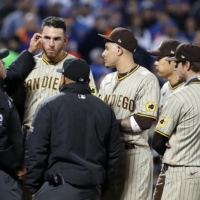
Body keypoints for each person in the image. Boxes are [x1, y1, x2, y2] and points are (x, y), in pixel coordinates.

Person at [24, 57, 121, 200]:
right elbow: (113, 156)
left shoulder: (50, 105)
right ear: (88, 82)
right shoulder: (105, 110)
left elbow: (35, 149)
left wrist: (33, 187)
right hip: (92, 189)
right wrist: (101, 187)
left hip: (57, 187)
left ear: (63, 79)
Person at [98, 27, 160, 200]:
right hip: (109, 154)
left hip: (134, 154)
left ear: (118, 49)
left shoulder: (146, 78)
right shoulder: (107, 80)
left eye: (107, 48)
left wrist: (111, 124)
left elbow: (144, 121)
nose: (103, 53)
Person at [13, 16, 96, 132]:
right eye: (47, 38)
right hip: (29, 135)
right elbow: (15, 105)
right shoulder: (27, 63)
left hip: (62, 135)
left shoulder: (78, 67)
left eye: (57, 39)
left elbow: (90, 104)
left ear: (65, 40)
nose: (51, 44)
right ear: (40, 38)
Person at [152, 43, 200, 200]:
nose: (175, 68)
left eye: (177, 63)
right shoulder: (170, 89)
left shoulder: (179, 95)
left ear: (187, 65)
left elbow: (158, 141)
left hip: (182, 171)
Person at [0, 34, 42, 200]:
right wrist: (16, 164)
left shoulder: (1, 88)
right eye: (0, 61)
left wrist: (30, 52)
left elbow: (13, 75)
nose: (4, 62)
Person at [147, 39, 184, 200]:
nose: (155, 63)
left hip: (185, 163)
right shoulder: (165, 88)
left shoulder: (191, 89)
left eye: (159, 58)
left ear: (173, 61)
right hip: (167, 161)